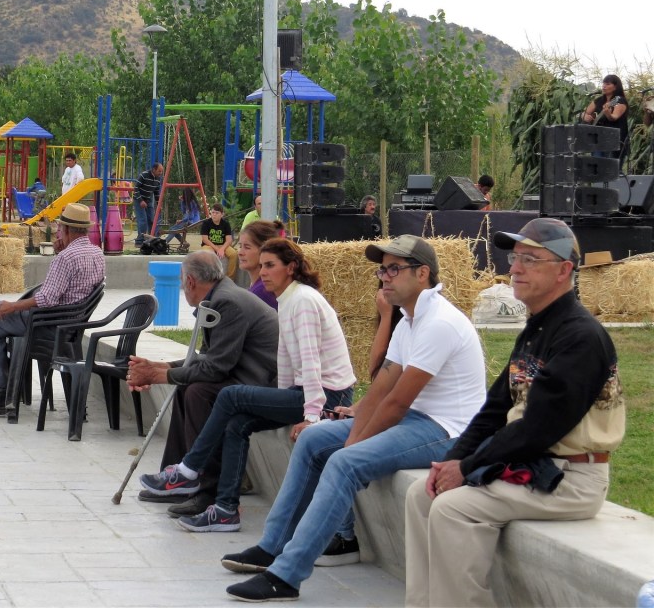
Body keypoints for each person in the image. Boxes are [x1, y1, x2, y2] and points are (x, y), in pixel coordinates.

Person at [221, 234, 487, 603]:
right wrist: (356, 418)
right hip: (416, 419)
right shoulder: (410, 321)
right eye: (382, 270)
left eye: (394, 269)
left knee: (344, 462)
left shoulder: (440, 322)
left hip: (447, 430)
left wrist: (354, 443)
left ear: (423, 273)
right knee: (313, 438)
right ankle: (272, 546)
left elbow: (396, 402)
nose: (384, 278)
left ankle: (286, 576)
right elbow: (382, 386)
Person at [405, 219, 626, 608]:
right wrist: (452, 460)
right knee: (420, 496)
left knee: (454, 509)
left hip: (573, 479)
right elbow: (495, 409)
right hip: (539, 467)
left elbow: (536, 429)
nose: (515, 269)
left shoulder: (580, 336)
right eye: (515, 258)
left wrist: (467, 466)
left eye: (530, 259)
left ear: (563, 270)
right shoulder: (538, 328)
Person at [142, 238, 356, 533]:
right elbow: (286, 362)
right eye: (262, 265)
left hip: (328, 397)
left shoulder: (303, 301)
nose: (263, 272)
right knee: (237, 424)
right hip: (301, 392)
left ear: (291, 268)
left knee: (230, 396)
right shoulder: (288, 299)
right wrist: (278, 399)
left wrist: (311, 418)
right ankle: (225, 510)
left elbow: (311, 363)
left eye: (271, 265)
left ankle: (188, 470)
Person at [127, 250, 278, 517]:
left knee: (198, 392)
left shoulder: (226, 303)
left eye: (182, 281)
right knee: (189, 387)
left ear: (190, 281)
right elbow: (207, 357)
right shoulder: (219, 297)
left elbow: (215, 368)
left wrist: (158, 376)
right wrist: (161, 366)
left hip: (263, 384)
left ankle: (207, 490)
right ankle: (178, 480)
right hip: (244, 375)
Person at [0, 203, 105, 417]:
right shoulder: (96, 253)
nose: (58, 232)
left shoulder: (66, 258)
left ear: (67, 230)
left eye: (60, 228)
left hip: (46, 324)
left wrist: (14, 306)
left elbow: (47, 298)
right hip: (69, 324)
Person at [236, 219, 286, 309]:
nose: (240, 252)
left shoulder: (262, 291)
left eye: (247, 247)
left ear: (264, 250)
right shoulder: (260, 286)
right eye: (240, 246)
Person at [582, 74, 629, 167]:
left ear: (615, 87)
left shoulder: (620, 101)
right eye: (603, 84)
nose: (604, 86)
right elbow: (585, 112)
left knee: (610, 168)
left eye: (607, 84)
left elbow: (614, 117)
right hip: (597, 138)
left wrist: (607, 113)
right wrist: (585, 116)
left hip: (614, 140)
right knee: (597, 166)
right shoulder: (599, 100)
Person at [201, 203, 238, 278]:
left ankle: (230, 278)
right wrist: (217, 249)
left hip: (222, 245)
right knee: (209, 254)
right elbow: (205, 239)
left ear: (222, 214)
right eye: (213, 212)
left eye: (217, 213)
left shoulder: (226, 224)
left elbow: (229, 240)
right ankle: (210, 277)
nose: (214, 215)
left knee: (234, 254)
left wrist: (222, 249)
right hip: (209, 245)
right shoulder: (206, 223)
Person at [133, 162, 164, 246]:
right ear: (154, 169)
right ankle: (140, 241)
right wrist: (141, 201)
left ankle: (151, 239)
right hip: (139, 199)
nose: (160, 173)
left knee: (151, 220)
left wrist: (159, 204)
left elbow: (156, 192)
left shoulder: (158, 179)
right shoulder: (143, 175)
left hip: (148, 199)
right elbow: (136, 188)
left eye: (161, 171)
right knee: (143, 220)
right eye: (159, 171)